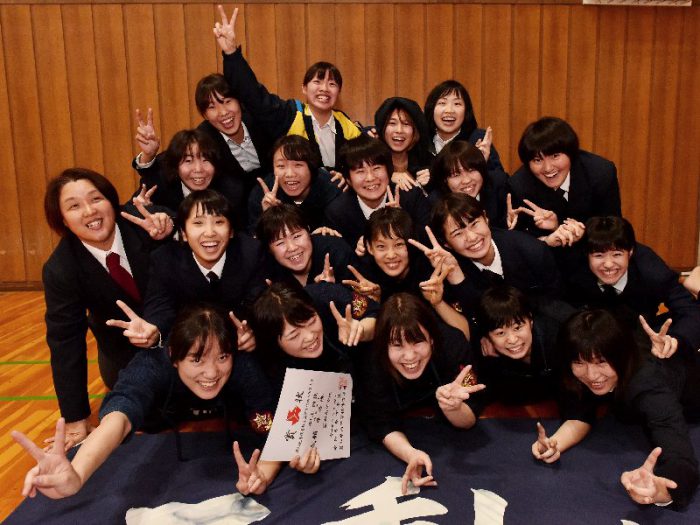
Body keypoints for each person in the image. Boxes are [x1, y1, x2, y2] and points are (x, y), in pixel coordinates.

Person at [11, 304, 279, 499]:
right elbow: (119, 417)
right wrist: (77, 474)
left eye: (222, 358)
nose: (211, 372)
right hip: (159, 419)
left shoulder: (244, 367)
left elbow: (268, 427)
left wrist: (263, 474)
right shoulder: (152, 364)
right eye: (197, 359)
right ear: (173, 355)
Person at [42, 168, 173, 449]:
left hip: (177, 329)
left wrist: (170, 226)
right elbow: (65, 343)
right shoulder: (61, 269)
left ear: (112, 202)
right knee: (151, 418)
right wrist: (76, 418)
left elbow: (176, 218)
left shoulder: (142, 222)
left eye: (96, 199)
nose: (90, 211)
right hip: (123, 350)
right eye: (74, 206)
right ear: (62, 219)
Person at [532, 309, 699, 510]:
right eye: (579, 363)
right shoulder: (575, 368)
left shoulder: (648, 384)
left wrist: (660, 491)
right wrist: (555, 443)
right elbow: (579, 412)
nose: (591, 375)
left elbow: (679, 455)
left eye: (601, 362)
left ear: (621, 357)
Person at [357, 293, 484, 495]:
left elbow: (469, 420)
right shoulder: (371, 360)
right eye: (397, 345)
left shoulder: (452, 344)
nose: (409, 356)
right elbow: (381, 423)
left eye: (417, 342)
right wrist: (410, 454)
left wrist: (453, 408)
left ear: (431, 339)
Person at [109, 189, 266, 351]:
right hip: (188, 346)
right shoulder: (165, 259)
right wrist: (154, 331)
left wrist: (254, 334)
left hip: (238, 344)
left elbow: (258, 306)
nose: (210, 232)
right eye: (198, 223)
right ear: (183, 233)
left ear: (231, 231)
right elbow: (160, 306)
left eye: (219, 222)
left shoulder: (251, 253)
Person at [214, 6, 360, 171]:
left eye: (332, 84)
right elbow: (253, 96)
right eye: (317, 82)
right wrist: (232, 53)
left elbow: (364, 161)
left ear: (338, 92)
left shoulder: (346, 125)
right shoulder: (289, 115)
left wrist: (345, 176)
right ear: (304, 88)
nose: (324, 89)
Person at [565, 216, 700, 357]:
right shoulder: (574, 269)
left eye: (617, 254)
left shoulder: (652, 271)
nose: (608, 264)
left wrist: (674, 340)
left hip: (643, 334)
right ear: (587, 255)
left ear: (630, 253)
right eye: (599, 255)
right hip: (589, 339)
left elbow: (691, 310)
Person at [425, 193, 562, 316]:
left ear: (486, 218)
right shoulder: (446, 271)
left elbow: (556, 303)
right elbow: (473, 320)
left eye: (474, 224)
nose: (472, 237)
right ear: (446, 244)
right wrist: (456, 276)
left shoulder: (531, 250)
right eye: (458, 233)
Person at [251, 281, 377, 394]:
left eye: (312, 322)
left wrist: (361, 331)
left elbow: (376, 315)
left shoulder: (327, 295)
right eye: (294, 335)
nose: (310, 337)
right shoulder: (267, 365)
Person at [509, 117, 621, 238]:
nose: (548, 168)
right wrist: (550, 235)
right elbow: (521, 242)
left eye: (555, 156)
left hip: (594, 246)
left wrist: (584, 234)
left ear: (571, 153)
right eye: (537, 160)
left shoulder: (599, 173)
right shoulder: (520, 186)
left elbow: (614, 232)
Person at [325, 135, 432, 248]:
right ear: (348, 179)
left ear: (388, 171)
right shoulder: (337, 213)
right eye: (360, 171)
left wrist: (401, 222)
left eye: (376, 168)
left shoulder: (411, 197)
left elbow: (429, 243)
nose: (370, 178)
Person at [476, 285, 575, 405]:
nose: (512, 340)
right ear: (488, 336)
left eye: (517, 328)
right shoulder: (487, 355)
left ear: (531, 321)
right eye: (500, 333)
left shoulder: (561, 337)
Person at [247, 135, 341, 232]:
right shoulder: (263, 194)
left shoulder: (332, 189)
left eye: (298, 165)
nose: (290, 174)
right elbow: (254, 237)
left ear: (311, 167)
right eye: (281, 166)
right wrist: (269, 217)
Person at [257, 204, 358, 287]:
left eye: (297, 236)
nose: (292, 248)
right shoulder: (264, 271)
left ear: (309, 231)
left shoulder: (335, 250)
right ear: (269, 249)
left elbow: (361, 299)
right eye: (280, 243)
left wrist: (333, 291)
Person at [423, 79, 506, 176]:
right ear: (431, 108)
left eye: (457, 104)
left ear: (466, 111)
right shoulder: (421, 140)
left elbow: (500, 180)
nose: (449, 110)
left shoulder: (478, 139)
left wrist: (483, 165)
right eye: (442, 103)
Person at [430, 140, 510, 228]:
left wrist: (511, 224)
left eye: (471, 170)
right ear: (445, 180)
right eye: (456, 175)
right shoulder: (436, 203)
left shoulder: (499, 184)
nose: (466, 180)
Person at [374, 97, 432, 192]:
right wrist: (388, 178)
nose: (399, 130)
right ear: (382, 129)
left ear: (415, 131)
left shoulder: (427, 162)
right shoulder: (371, 160)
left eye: (406, 124)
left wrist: (428, 185)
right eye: (392, 123)